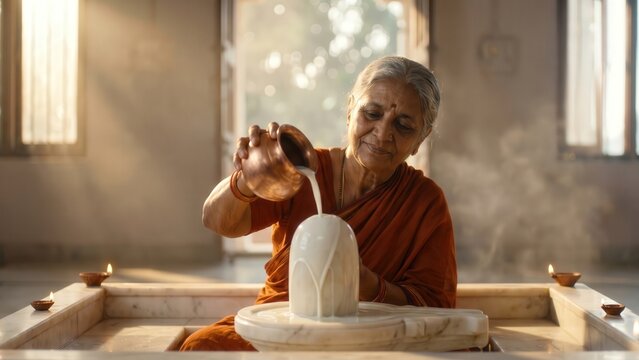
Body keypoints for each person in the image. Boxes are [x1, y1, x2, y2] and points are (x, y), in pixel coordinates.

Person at [180, 56, 457, 351]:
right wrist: (248, 177)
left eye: (403, 125)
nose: (383, 133)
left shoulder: (424, 201)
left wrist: (367, 285)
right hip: (280, 328)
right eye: (372, 113)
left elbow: (434, 306)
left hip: (368, 340)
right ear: (350, 110)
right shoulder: (300, 170)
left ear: (420, 139)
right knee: (203, 347)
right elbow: (216, 220)